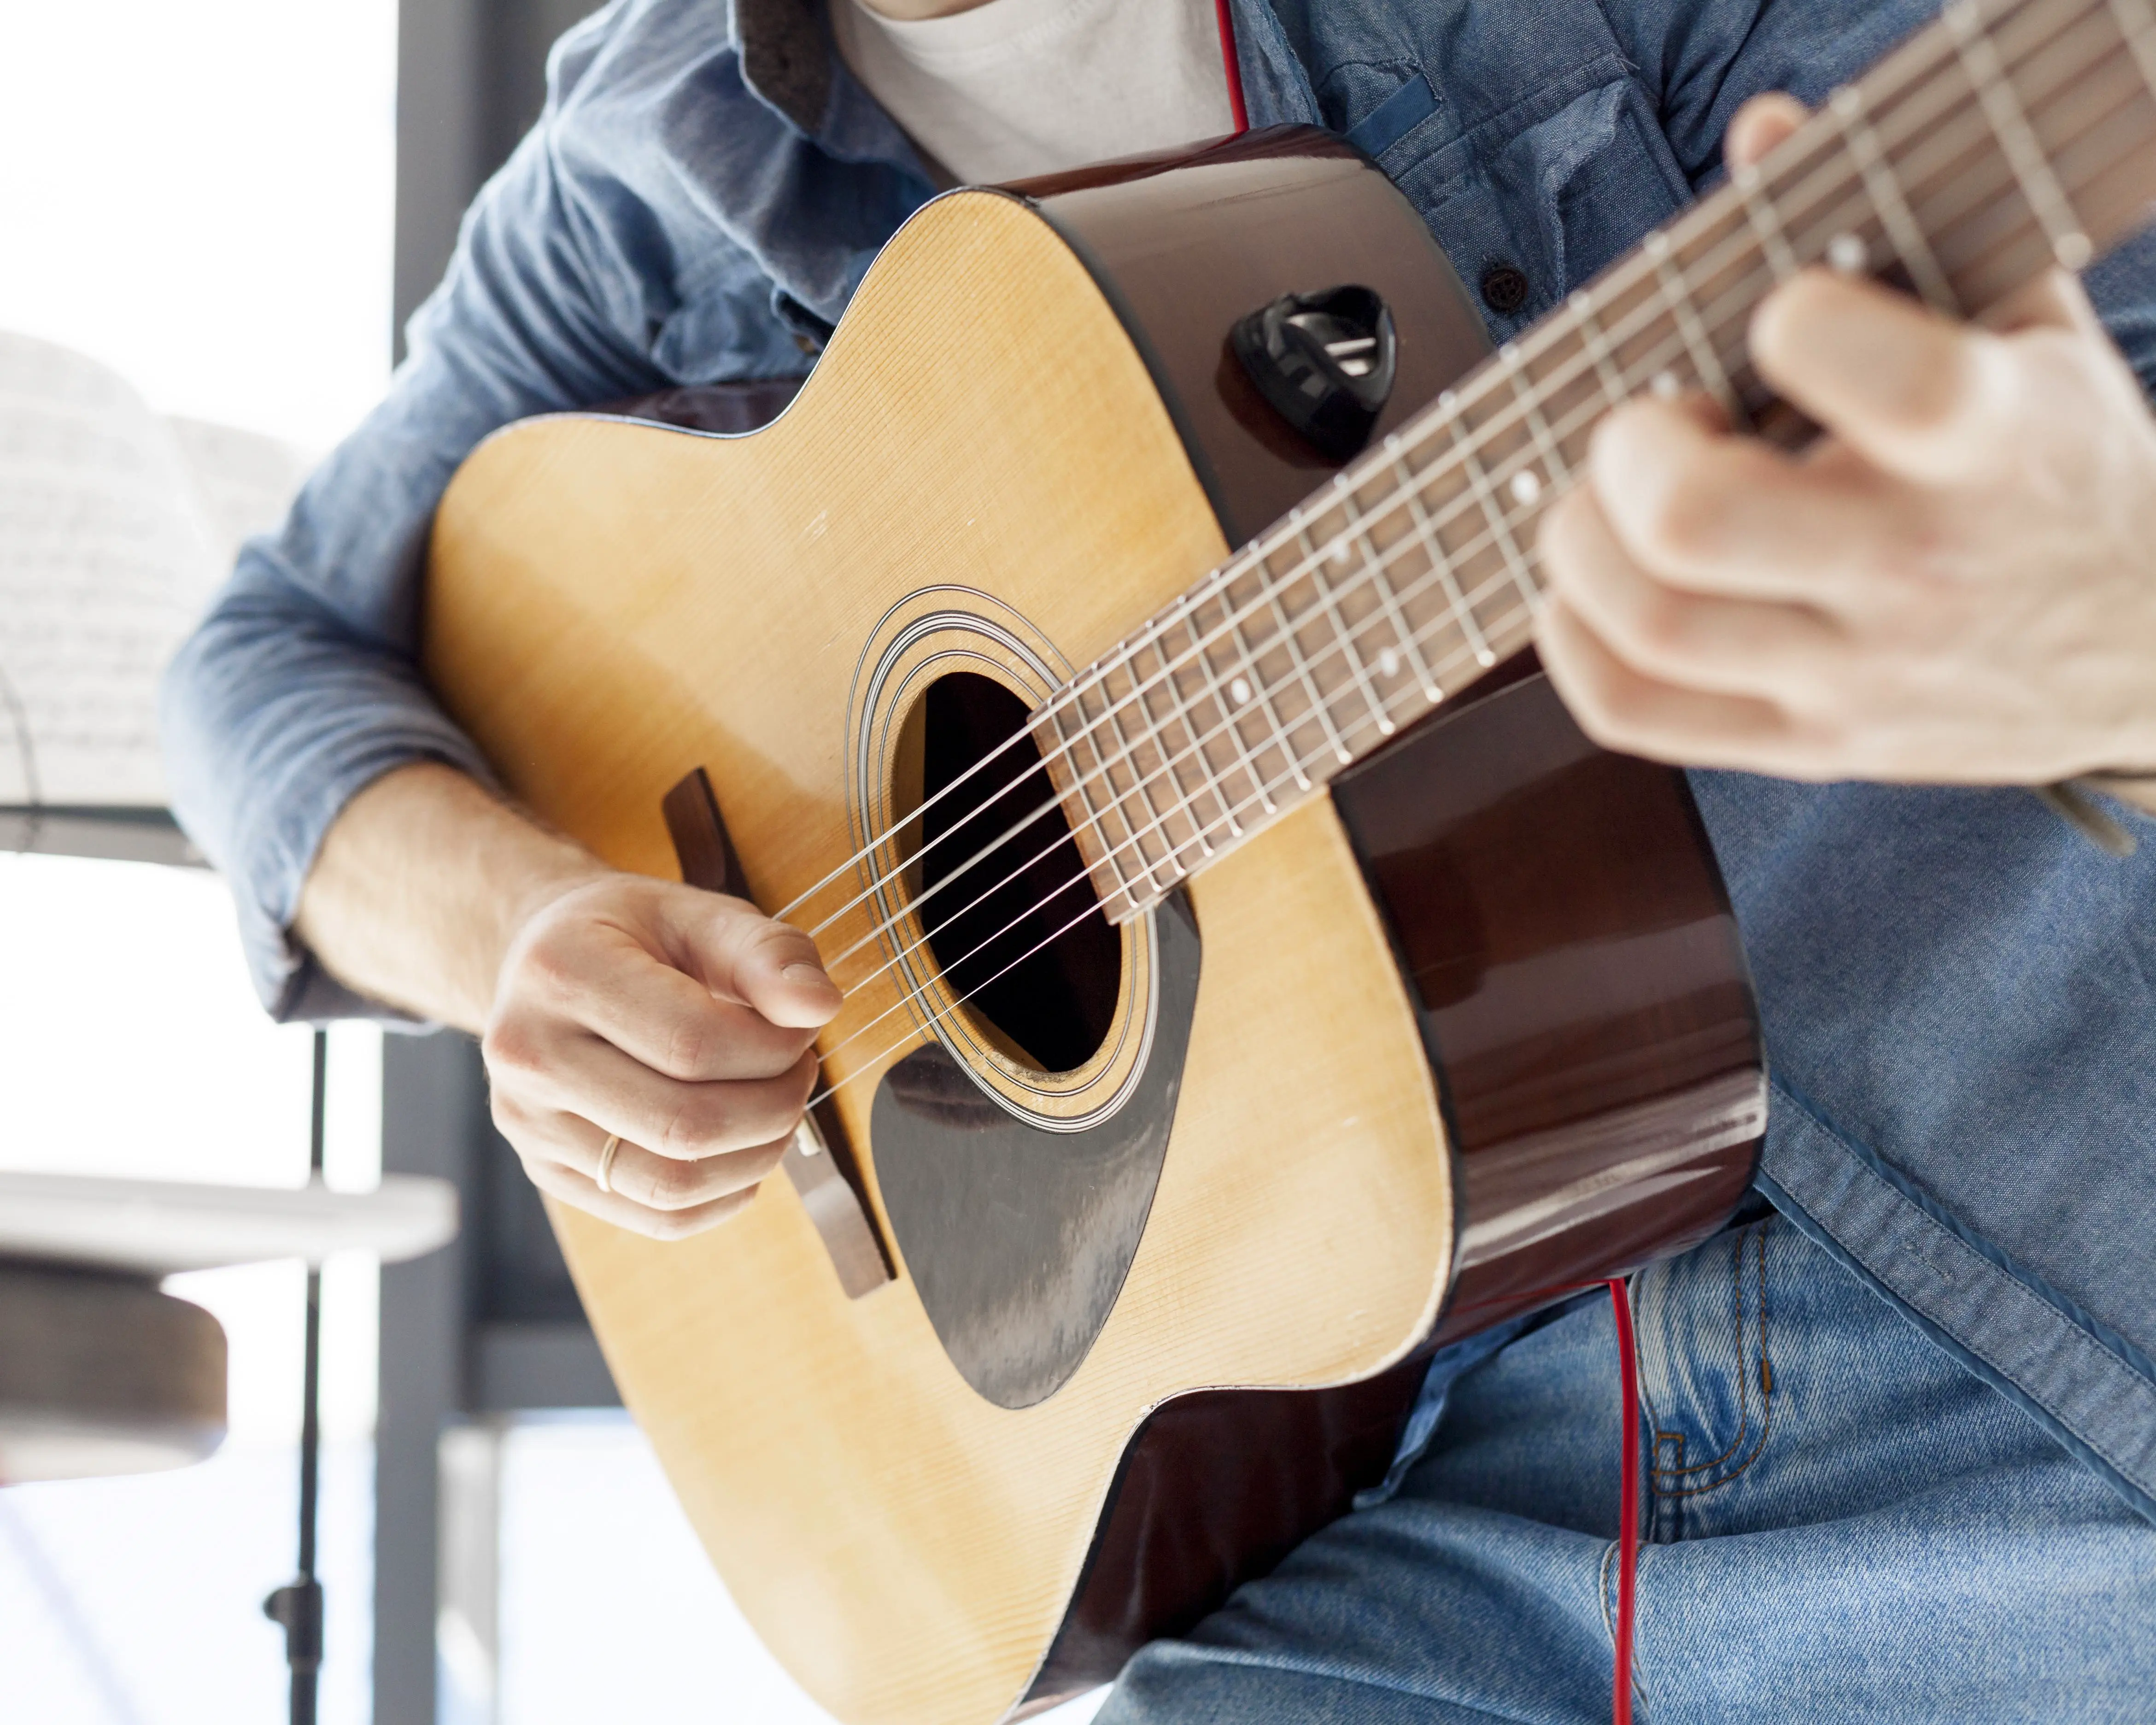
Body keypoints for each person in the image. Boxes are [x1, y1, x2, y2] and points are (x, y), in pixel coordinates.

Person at [163, 0, 2156, 1714]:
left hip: (2036, 1377)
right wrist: (530, 931)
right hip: (1395, 1497)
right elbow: (259, 671)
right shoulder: (652, 151)